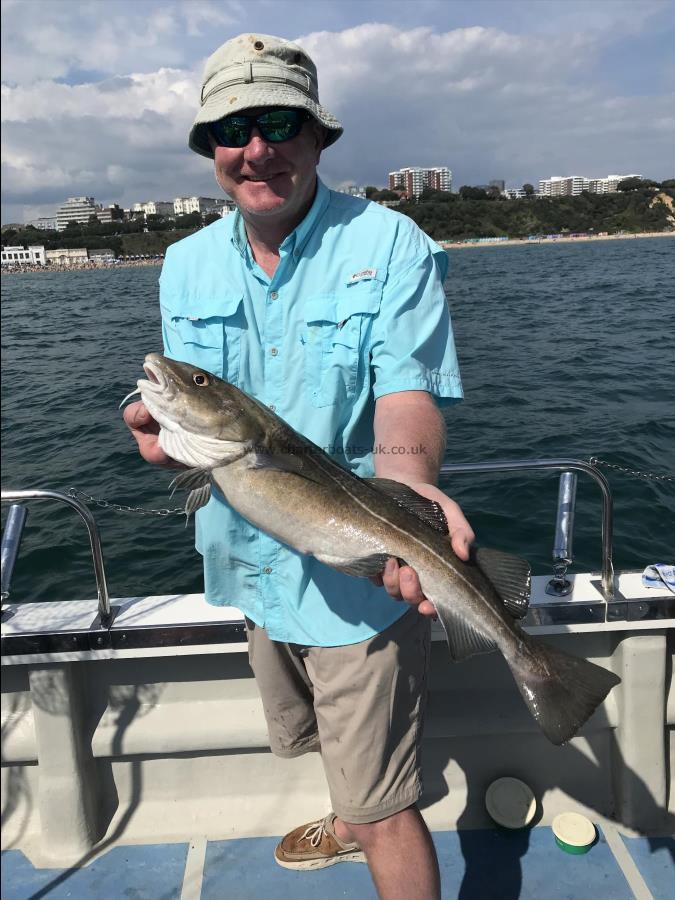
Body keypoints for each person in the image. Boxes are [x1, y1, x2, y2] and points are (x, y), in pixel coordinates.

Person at [124, 32, 474, 900]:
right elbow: (194, 417)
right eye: (231, 129)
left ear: (318, 135)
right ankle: (350, 817)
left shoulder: (390, 243)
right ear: (210, 150)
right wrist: (158, 433)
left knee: (389, 804)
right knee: (319, 739)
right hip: (251, 564)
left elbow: (406, 392)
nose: (256, 148)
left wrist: (411, 485)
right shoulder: (183, 265)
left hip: (364, 576)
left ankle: (368, 822)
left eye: (280, 122)